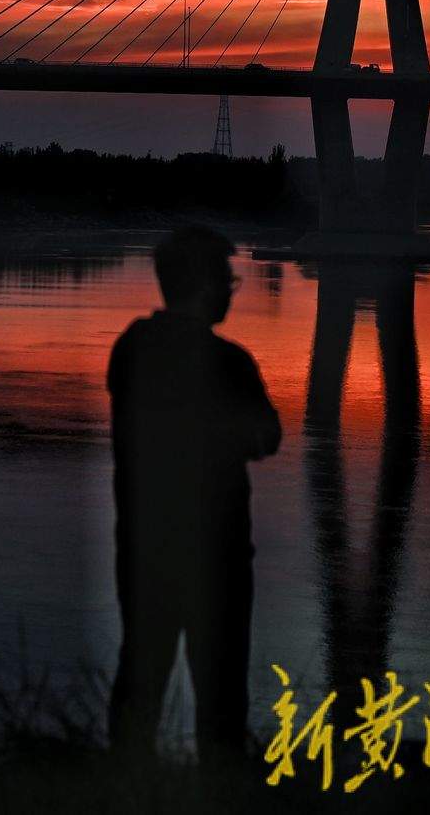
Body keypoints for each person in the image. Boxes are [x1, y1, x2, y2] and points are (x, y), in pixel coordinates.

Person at [107, 225, 281, 764]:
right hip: (217, 556)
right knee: (221, 694)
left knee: (140, 679)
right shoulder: (229, 363)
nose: (233, 290)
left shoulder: (132, 347)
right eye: (228, 279)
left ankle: (124, 788)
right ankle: (218, 792)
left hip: (144, 546)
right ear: (207, 283)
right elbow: (266, 437)